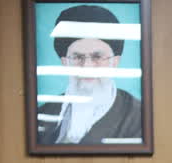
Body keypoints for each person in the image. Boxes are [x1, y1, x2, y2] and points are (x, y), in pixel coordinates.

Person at [36, 4, 143, 145]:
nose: (87, 66)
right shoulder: (42, 114)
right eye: (77, 57)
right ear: (65, 62)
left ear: (115, 62)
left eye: (97, 57)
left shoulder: (139, 117)